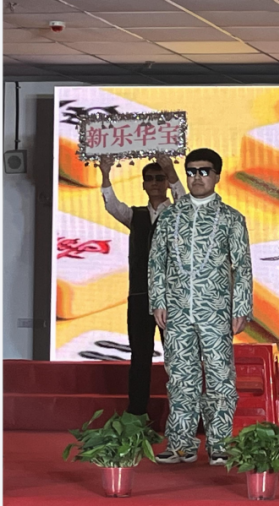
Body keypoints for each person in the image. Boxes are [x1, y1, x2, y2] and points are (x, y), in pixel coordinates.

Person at [149, 148, 253, 466]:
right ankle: (181, 444)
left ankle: (219, 444)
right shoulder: (169, 216)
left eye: (204, 171)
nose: (197, 177)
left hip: (216, 311)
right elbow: (156, 262)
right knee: (181, 378)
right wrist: (158, 300)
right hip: (177, 310)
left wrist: (241, 307)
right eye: (191, 172)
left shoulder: (232, 218)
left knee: (220, 376)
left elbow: (242, 266)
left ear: (217, 176)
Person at [100, 154, 185, 416]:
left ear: (167, 183)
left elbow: (186, 202)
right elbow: (112, 205)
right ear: (144, 184)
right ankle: (137, 413)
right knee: (140, 356)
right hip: (140, 295)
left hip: (173, 297)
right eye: (150, 179)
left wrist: (171, 171)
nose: (155, 183)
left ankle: (185, 413)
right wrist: (105, 173)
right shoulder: (134, 215)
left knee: (177, 356)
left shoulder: (179, 212)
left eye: (160, 178)